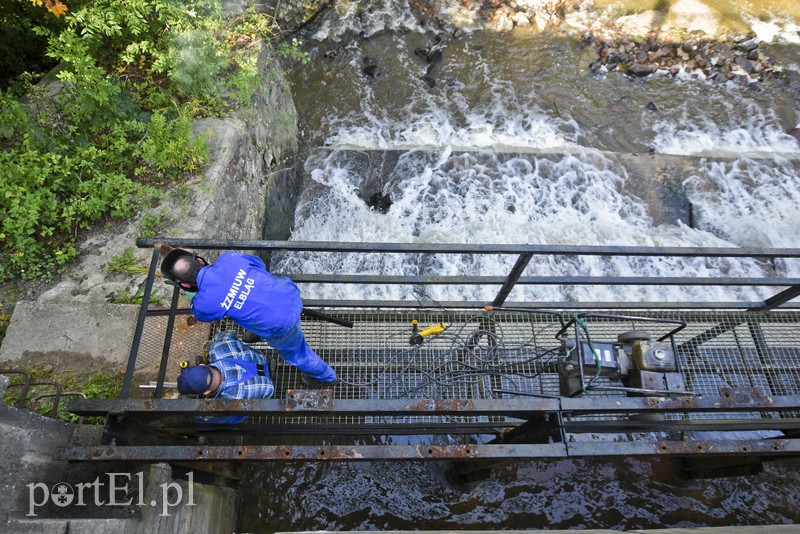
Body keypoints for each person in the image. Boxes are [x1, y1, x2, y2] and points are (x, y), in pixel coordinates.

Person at [161, 247, 336, 386]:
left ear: (184, 284)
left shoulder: (203, 304)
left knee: (297, 355)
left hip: (281, 324)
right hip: (288, 292)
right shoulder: (229, 258)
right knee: (248, 304)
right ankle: (258, 332)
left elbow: (203, 315)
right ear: (199, 261)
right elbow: (259, 265)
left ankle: (326, 376)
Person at [177, 330, 274, 425]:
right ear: (202, 365)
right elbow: (229, 333)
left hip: (268, 388)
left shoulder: (228, 401)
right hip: (261, 359)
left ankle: (194, 421)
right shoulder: (217, 348)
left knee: (218, 418)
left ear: (206, 392)